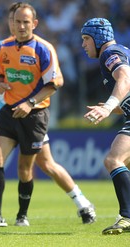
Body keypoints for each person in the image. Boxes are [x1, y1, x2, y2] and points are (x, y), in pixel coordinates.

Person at [0, 2, 96, 227]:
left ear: (34, 23)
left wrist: (31, 103)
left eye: (25, 22)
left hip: (34, 114)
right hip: (8, 110)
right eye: (16, 21)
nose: (20, 26)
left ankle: (82, 202)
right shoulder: (2, 47)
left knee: (44, 164)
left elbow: (56, 81)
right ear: (10, 23)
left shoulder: (43, 48)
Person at [81, 17, 130, 235]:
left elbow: (125, 79)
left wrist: (109, 107)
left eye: (85, 39)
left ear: (98, 38)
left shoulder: (110, 54)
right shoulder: (120, 50)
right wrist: (115, 107)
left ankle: (127, 217)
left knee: (114, 160)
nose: (83, 45)